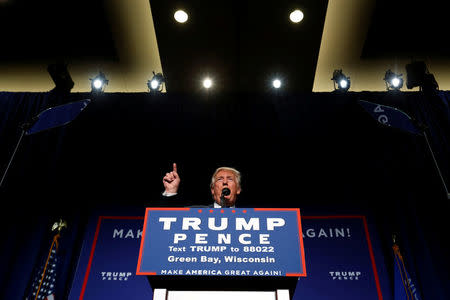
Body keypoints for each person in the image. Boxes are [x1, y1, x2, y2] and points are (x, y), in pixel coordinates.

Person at [162, 163, 241, 207]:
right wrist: (170, 191)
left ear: (238, 189)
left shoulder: (249, 217)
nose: (225, 182)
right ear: (212, 190)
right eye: (219, 179)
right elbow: (168, 218)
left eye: (230, 179)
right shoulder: (196, 213)